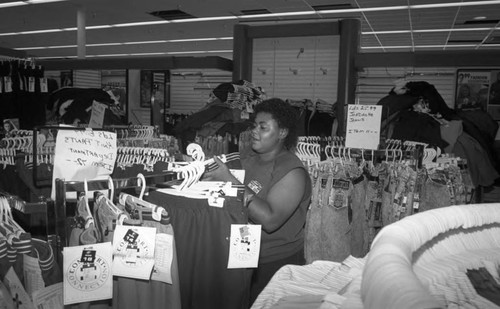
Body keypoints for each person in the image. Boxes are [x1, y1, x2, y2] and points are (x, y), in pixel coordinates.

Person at [203, 98, 312, 305]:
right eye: (255, 125)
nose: (254, 131)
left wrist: (230, 181)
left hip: (275, 263)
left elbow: (270, 220)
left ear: (282, 133)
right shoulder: (247, 158)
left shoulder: (292, 171)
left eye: (263, 127)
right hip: (242, 255)